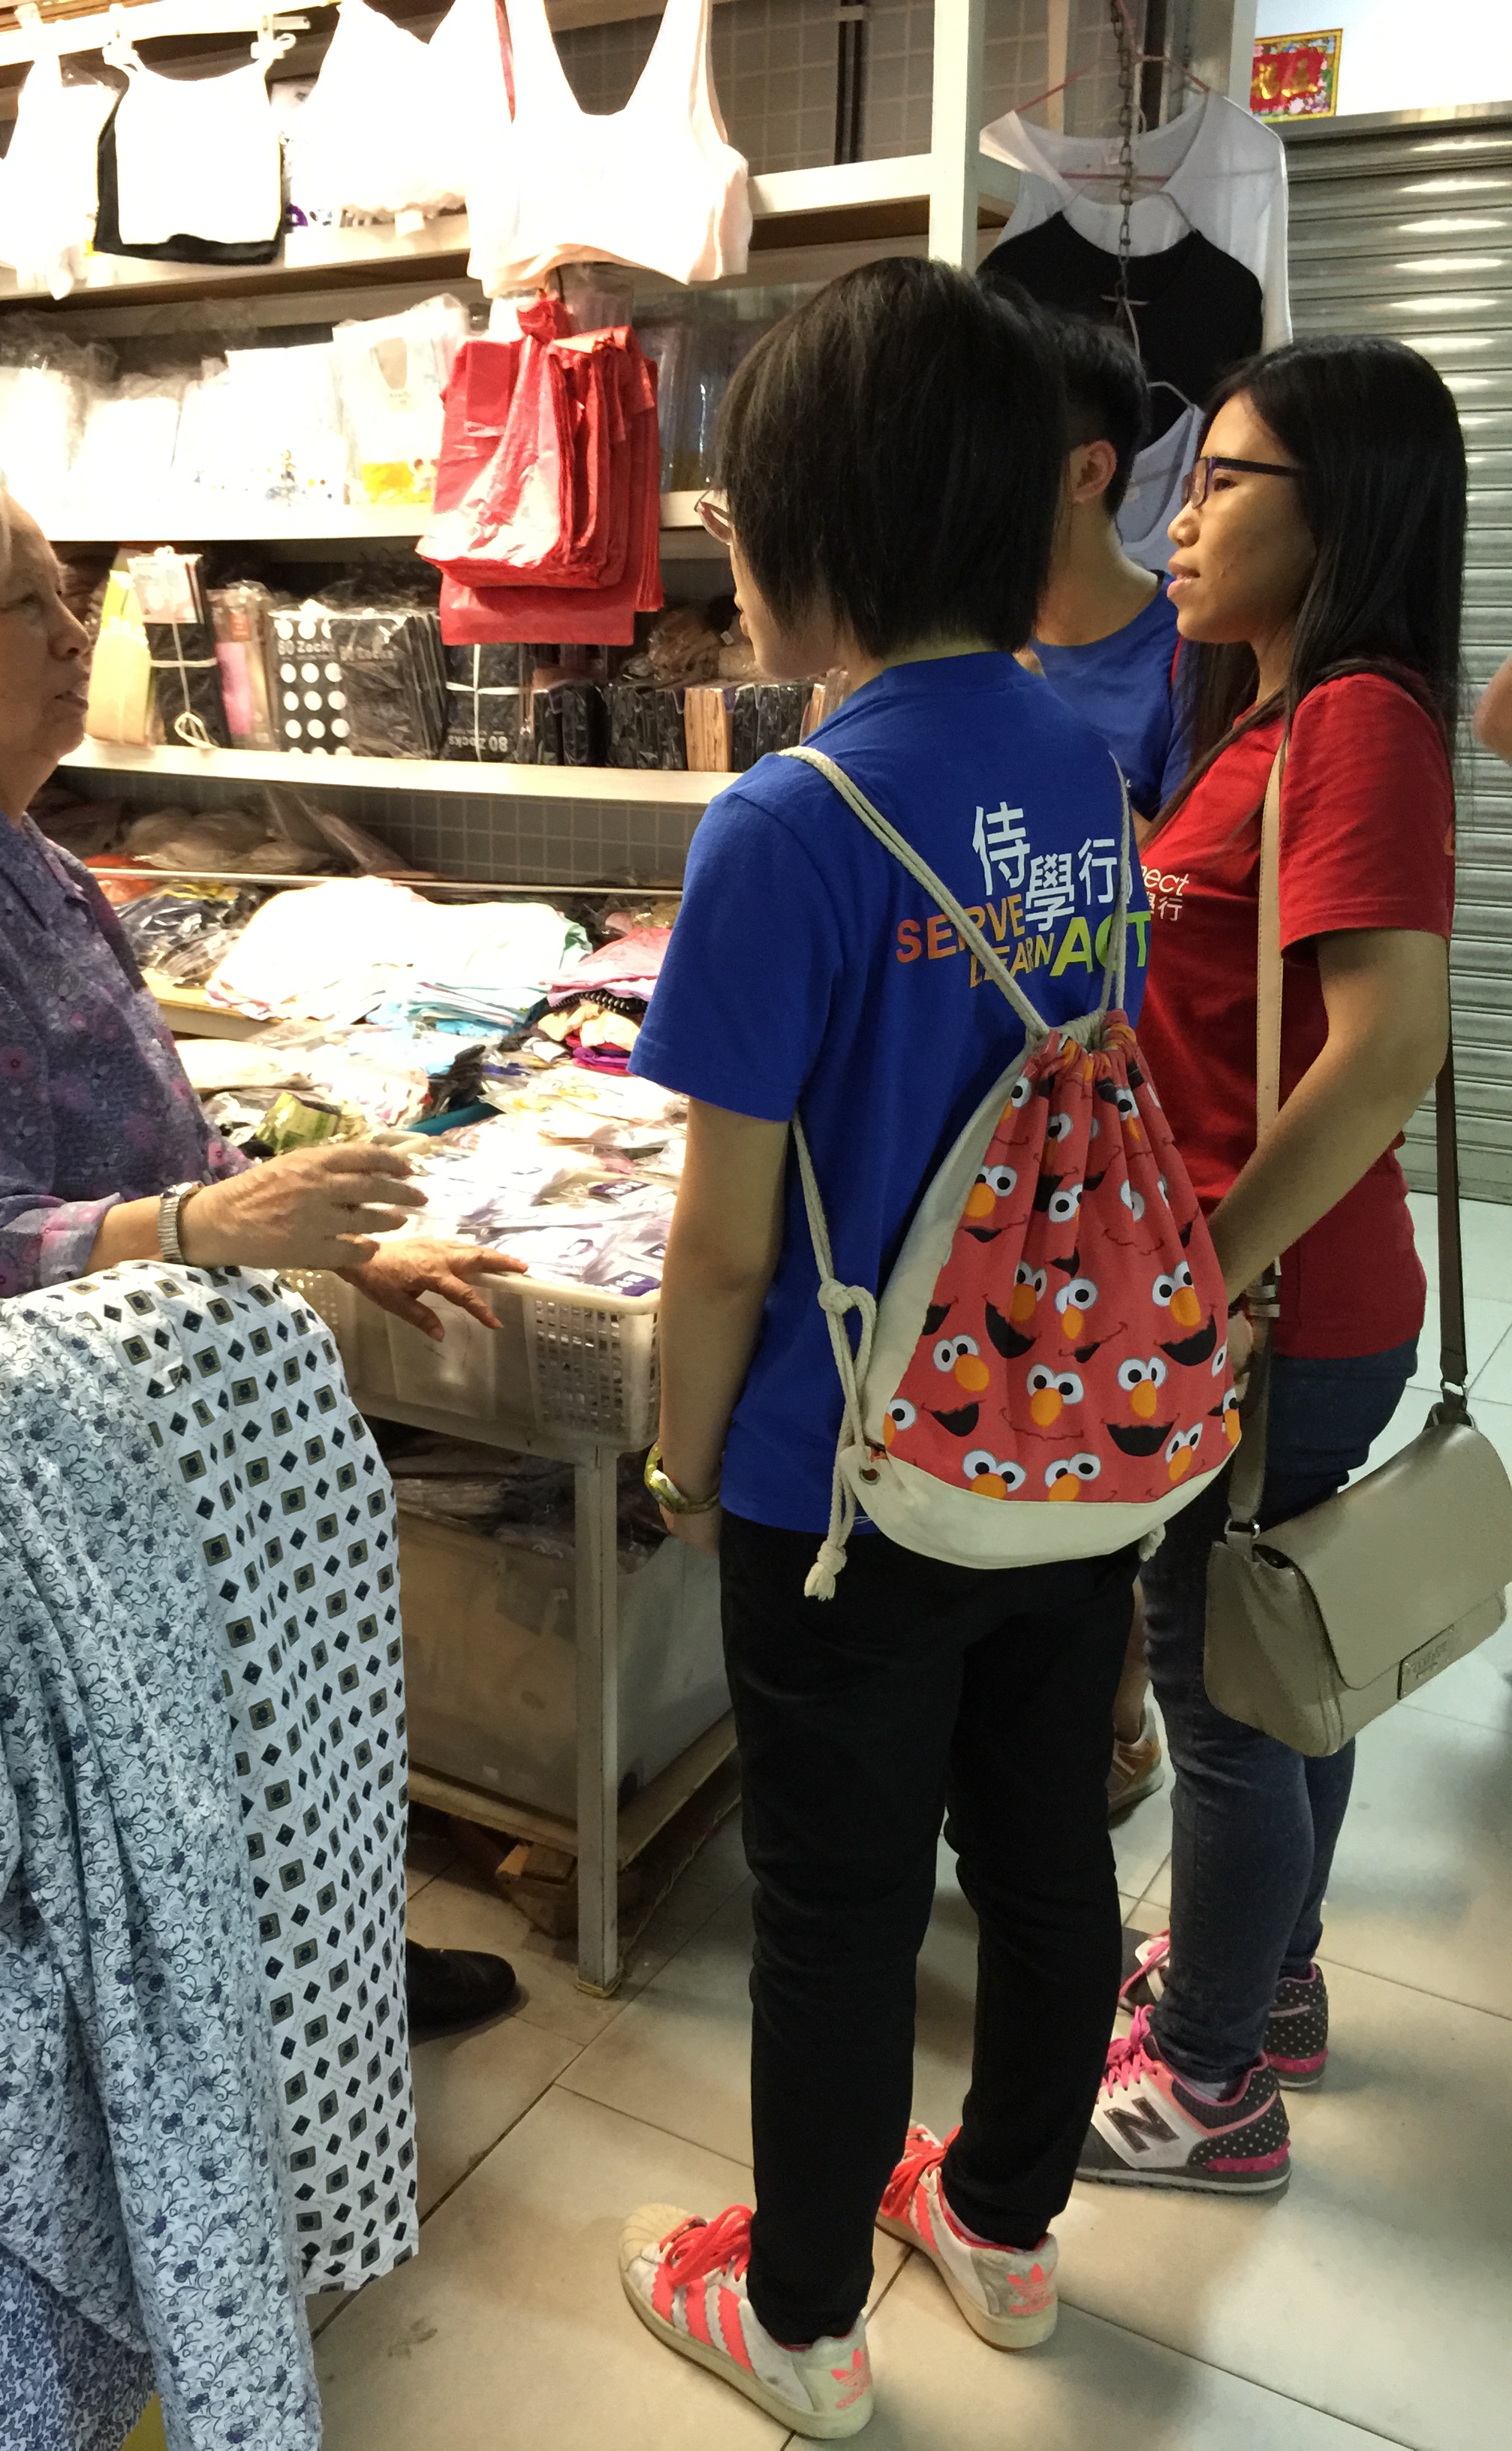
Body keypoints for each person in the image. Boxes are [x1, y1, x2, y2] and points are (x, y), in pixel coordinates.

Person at [0, 454, 519, 2040]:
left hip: (174, 1401)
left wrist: (327, 1240)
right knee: (192, 1783)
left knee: (285, 1734)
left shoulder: (23, 856)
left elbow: (160, 1132)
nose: (74, 630)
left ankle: (337, 1987)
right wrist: (200, 1226)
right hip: (61, 1453)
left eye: (67, 596)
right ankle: (278, 2043)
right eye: (24, 603)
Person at [615, 259, 1149, 2439]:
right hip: (1068, 1427)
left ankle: (808, 2323)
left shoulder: (784, 827)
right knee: (1041, 1843)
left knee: (833, 1910)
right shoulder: (1083, 756)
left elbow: (722, 1250)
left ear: (815, 520)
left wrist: (673, 1465)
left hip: (842, 1479)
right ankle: (1006, 2233)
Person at [1082, 338, 1460, 2192]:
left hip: (1269, 1304)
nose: (1180, 514)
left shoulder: (1355, 723)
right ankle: (1272, 1975)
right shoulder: (1266, 712)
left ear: (1340, 515)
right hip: (1272, 1296)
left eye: (1225, 479)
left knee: (1220, 1688)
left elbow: (1389, 1040)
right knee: (1279, 1657)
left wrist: (1199, 1271)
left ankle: (1210, 2082)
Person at [1027, 313, 1194, 1820]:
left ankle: (1117, 1718)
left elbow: (1194, 926)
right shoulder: (963, 640)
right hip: (963, 1123)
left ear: (1088, 468)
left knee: (1103, 1449)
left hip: (1118, 1136)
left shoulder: (1178, 663)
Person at [1029, 313, 1191, 826]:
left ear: (1089, 471)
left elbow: (1179, 883)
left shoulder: (1196, 651)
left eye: (992, 457)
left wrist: (1040, 735)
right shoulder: (955, 634)